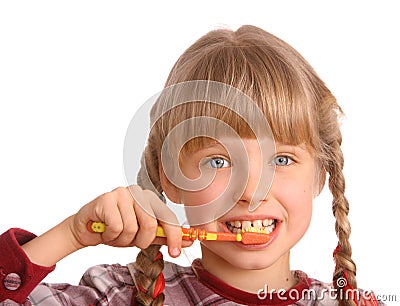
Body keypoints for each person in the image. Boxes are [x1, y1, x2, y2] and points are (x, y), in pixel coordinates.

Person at [0, 25, 383, 306]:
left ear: (321, 173)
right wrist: (71, 234)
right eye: (218, 161)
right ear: (171, 177)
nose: (251, 191)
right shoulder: (115, 296)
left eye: (281, 160)